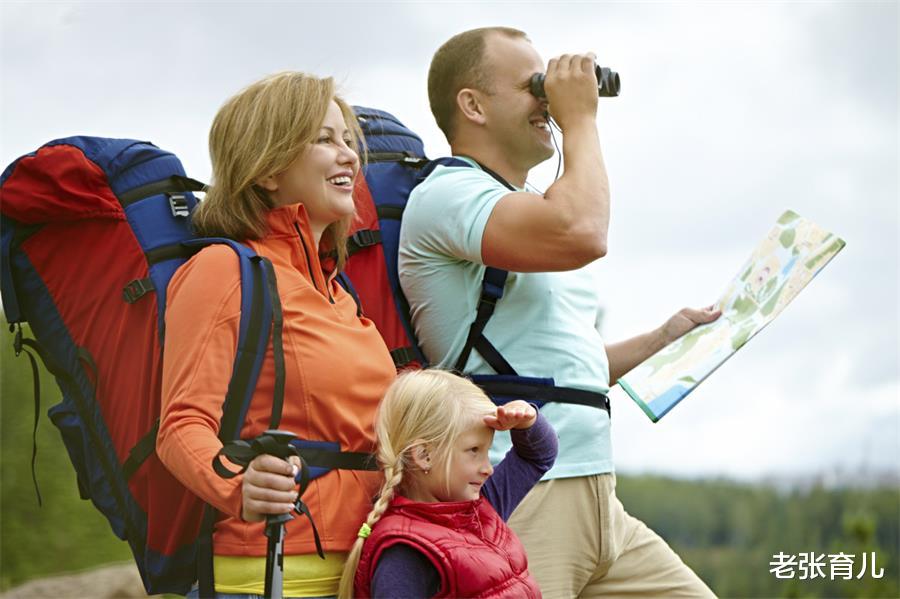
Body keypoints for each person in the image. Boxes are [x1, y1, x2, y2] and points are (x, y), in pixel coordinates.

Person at [399, 27, 720, 598]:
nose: (548, 100)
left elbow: (563, 371)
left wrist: (664, 337)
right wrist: (582, 121)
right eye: (533, 86)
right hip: (520, 488)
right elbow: (584, 232)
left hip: (598, 493)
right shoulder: (447, 196)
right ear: (471, 104)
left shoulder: (527, 215)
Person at [157, 71, 397, 598]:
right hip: (273, 569)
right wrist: (239, 485)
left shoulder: (340, 292)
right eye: (324, 139)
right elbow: (180, 425)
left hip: (366, 563)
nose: (350, 156)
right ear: (268, 169)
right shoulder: (223, 270)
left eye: (349, 140)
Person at [338, 369, 557, 598]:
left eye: (487, 451)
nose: (488, 468)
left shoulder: (482, 506)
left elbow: (539, 455)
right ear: (424, 455)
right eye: (474, 450)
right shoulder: (404, 551)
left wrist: (527, 420)